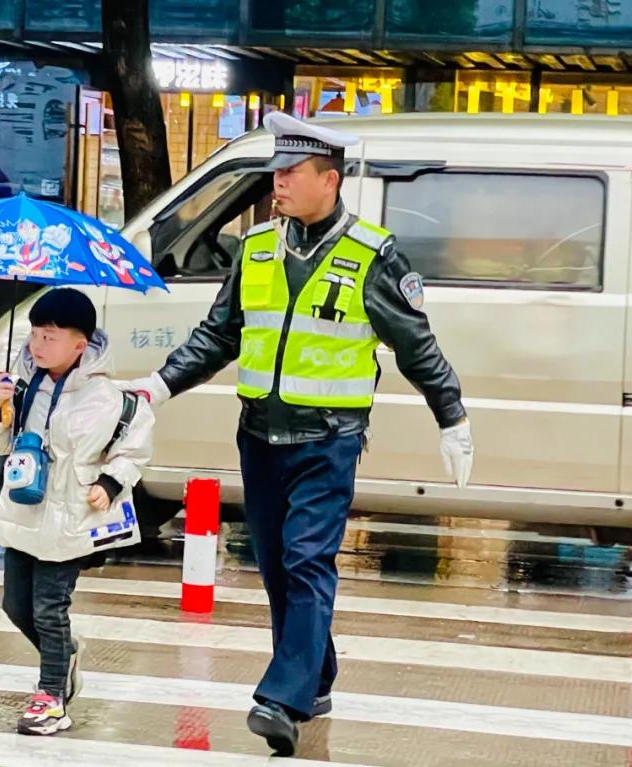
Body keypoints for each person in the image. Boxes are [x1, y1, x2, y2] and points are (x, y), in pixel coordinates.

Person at [129, 112, 474, 756]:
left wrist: (451, 417)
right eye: (276, 172)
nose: (277, 183)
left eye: (289, 173)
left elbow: (415, 345)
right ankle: (316, 677)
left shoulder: (371, 255)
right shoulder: (257, 248)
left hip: (328, 438)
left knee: (306, 561)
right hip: (258, 435)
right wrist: (157, 387)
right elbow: (219, 334)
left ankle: (282, 700)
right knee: (275, 569)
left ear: (330, 180)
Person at [0, 287, 154, 736]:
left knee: (48, 609)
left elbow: (134, 448)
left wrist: (111, 483)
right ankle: (65, 655)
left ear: (81, 344)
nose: (37, 345)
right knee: (15, 606)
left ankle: (51, 696)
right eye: (35, 334)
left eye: (50, 337)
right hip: (22, 511)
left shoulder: (106, 396)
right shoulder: (20, 386)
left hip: (70, 518)